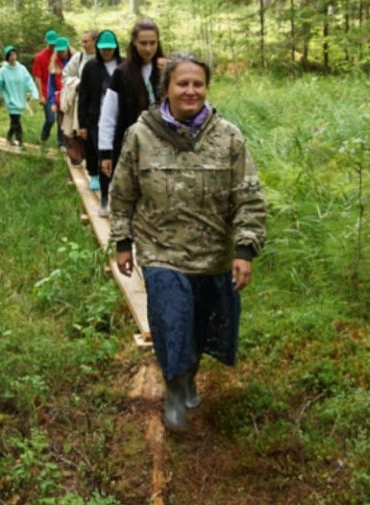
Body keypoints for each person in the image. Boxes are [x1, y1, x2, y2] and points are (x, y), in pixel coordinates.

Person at [109, 53, 267, 431]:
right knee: (170, 318)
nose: (191, 91)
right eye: (183, 83)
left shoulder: (228, 136)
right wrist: (122, 240)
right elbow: (123, 192)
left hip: (212, 254)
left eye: (198, 84)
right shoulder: (141, 135)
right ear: (166, 88)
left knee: (200, 326)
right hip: (161, 250)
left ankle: (188, 373)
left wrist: (245, 249)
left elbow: (249, 196)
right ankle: (175, 389)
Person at [98, 19, 167, 216]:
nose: (148, 48)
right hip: (131, 144)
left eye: (152, 43)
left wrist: (168, 74)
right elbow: (108, 116)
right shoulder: (122, 73)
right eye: (143, 43)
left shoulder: (168, 69)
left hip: (164, 144)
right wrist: (105, 153)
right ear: (133, 43)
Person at [77, 29, 122, 205]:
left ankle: (115, 183)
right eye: (103, 49)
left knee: (117, 151)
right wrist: (82, 124)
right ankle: (102, 188)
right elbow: (84, 96)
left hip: (119, 118)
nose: (106, 52)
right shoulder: (90, 67)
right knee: (100, 150)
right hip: (95, 117)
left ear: (116, 48)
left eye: (109, 49)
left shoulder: (123, 65)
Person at [59, 30, 98, 164]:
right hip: (79, 102)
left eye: (86, 41)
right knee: (79, 131)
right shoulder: (78, 57)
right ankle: (81, 159)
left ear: (95, 41)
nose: (83, 44)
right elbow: (65, 75)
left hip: (98, 103)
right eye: (82, 41)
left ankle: (94, 162)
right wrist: (77, 83)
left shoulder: (103, 57)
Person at [0, 45, 40, 146]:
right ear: (7, 57)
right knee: (16, 121)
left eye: (14, 54)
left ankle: (9, 137)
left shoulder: (22, 68)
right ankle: (20, 141)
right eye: (10, 55)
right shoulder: (3, 71)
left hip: (20, 99)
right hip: (10, 100)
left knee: (15, 122)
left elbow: (29, 81)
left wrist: (34, 93)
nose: (13, 57)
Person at [33, 30, 58, 144]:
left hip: (59, 91)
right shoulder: (40, 56)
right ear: (46, 42)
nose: (53, 46)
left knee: (61, 121)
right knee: (50, 119)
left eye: (54, 44)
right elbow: (37, 77)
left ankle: (62, 143)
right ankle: (43, 138)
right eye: (51, 44)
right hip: (46, 92)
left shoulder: (60, 54)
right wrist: (40, 96)